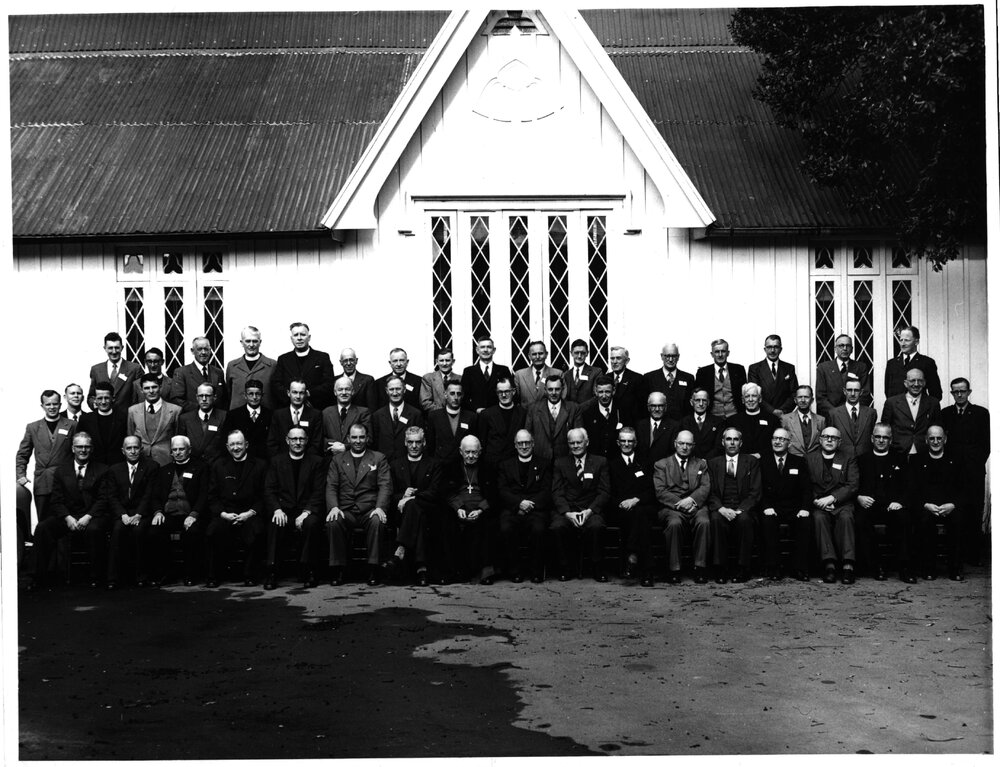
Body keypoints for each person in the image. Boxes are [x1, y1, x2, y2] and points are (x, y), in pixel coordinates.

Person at [29, 432, 110, 590]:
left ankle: (96, 577)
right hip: (68, 515)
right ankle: (37, 577)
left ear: (91, 449)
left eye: (87, 447)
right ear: (73, 448)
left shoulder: (102, 470)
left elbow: (103, 499)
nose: (83, 450)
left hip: (92, 515)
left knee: (94, 530)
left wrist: (88, 517)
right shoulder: (61, 470)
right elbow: (56, 500)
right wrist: (67, 518)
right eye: (79, 446)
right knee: (43, 528)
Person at [325, 423, 392, 586]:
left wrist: (379, 508)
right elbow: (331, 486)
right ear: (348, 439)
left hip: (369, 510)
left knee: (377, 521)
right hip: (346, 510)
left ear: (367, 438)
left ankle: (373, 569)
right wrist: (334, 507)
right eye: (354, 437)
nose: (358, 440)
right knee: (333, 522)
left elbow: (385, 485)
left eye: (361, 437)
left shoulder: (378, 458)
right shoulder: (338, 460)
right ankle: (338, 569)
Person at [262, 426, 326, 589]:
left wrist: (306, 512)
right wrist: (277, 509)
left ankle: (308, 571)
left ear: (306, 440)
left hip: (307, 510)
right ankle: (272, 572)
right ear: (287, 441)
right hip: (284, 509)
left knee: (311, 524)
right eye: (294, 439)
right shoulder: (277, 461)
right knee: (275, 523)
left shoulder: (316, 461)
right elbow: (269, 490)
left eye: (301, 439)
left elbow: (319, 491)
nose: (297, 442)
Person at [143, 435, 209, 586]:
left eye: (181, 449)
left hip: (190, 514)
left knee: (192, 533)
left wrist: (194, 514)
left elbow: (204, 495)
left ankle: (189, 574)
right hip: (169, 514)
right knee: (154, 532)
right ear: (171, 452)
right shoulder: (164, 470)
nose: (178, 452)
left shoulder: (200, 468)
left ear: (189, 450)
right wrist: (158, 512)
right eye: (175, 450)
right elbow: (155, 496)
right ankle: (166, 573)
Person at [205, 430, 267, 587]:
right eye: (232, 444)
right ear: (227, 447)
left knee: (257, 531)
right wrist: (223, 514)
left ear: (246, 445)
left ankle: (250, 575)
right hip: (226, 513)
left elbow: (264, 495)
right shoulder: (218, 465)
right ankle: (214, 576)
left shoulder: (260, 465)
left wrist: (250, 513)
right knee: (213, 531)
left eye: (239, 443)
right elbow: (212, 496)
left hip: (250, 513)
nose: (236, 447)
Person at [940, 377, 990, 564]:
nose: (959, 394)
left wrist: (974, 463)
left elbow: (987, 444)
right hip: (953, 471)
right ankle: (957, 554)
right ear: (951, 393)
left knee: (974, 509)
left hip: (973, 470)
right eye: (955, 391)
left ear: (969, 392)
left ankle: (974, 554)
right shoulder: (946, 414)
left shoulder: (981, 414)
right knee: (956, 509)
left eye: (962, 391)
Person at [550, 428, 610, 582]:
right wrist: (567, 513)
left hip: (591, 509)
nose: (576, 446)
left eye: (579, 442)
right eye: (572, 443)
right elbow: (556, 492)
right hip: (568, 509)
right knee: (557, 526)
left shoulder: (600, 462)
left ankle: (597, 568)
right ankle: (565, 568)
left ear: (587, 442)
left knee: (596, 526)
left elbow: (604, 492)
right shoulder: (560, 463)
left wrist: (590, 511)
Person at [386, 426, 442, 586]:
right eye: (410, 442)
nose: (414, 446)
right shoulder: (396, 465)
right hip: (401, 513)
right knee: (416, 513)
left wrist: (411, 498)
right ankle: (421, 569)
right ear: (405, 442)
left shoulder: (434, 464)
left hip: (429, 510)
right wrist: (403, 496)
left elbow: (434, 493)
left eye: (418, 442)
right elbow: (391, 494)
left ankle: (400, 550)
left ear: (424, 442)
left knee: (416, 509)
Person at [653, 430, 711, 583]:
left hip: (695, 506)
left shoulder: (701, 464)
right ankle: (674, 569)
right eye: (681, 443)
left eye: (688, 444)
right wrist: (681, 505)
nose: (684, 447)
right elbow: (660, 491)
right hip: (671, 507)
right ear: (675, 444)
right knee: (674, 524)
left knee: (704, 522)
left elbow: (705, 487)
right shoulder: (662, 465)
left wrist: (692, 500)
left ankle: (700, 568)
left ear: (693, 446)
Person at [856, 424, 912, 582]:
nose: (881, 440)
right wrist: (859, 497)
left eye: (885, 437)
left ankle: (904, 567)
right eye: (878, 437)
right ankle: (876, 566)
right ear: (872, 438)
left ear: (891, 440)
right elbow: (853, 484)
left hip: (892, 506)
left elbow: (908, 485)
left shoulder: (900, 458)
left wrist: (900, 502)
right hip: (869, 505)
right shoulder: (862, 459)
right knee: (860, 521)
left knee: (904, 518)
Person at [495, 429, 552, 583]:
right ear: (515, 445)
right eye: (520, 443)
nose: (524, 446)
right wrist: (519, 503)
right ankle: (515, 571)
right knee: (506, 528)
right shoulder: (505, 465)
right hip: (513, 509)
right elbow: (503, 490)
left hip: (536, 510)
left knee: (539, 529)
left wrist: (529, 505)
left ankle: (536, 572)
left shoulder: (544, 463)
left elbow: (546, 491)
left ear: (533, 444)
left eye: (527, 443)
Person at [104, 435, 160, 588]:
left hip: (142, 512)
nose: (133, 451)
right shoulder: (114, 470)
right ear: (123, 451)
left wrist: (138, 514)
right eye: (129, 448)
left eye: (136, 447)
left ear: (141, 449)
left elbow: (149, 494)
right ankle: (113, 578)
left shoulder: (151, 466)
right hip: (122, 513)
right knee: (117, 531)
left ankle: (141, 576)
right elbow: (112, 496)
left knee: (139, 532)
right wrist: (122, 515)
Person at [910, 425, 965, 581]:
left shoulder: (956, 460)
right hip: (927, 507)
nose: (935, 441)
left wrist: (952, 504)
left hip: (949, 507)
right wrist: (925, 505)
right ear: (926, 440)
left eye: (939, 438)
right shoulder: (917, 460)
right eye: (932, 438)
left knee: (958, 520)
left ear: (945, 439)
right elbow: (912, 490)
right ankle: (929, 567)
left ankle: (955, 568)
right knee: (924, 521)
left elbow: (964, 488)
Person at [706, 428, 761, 583]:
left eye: (735, 439)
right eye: (728, 439)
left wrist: (739, 510)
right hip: (721, 508)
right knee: (716, 519)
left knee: (744, 520)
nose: (732, 442)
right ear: (723, 442)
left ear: (741, 443)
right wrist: (721, 508)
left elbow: (755, 492)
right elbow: (709, 491)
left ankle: (743, 568)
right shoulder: (713, 463)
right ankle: (720, 568)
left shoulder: (751, 462)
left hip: (743, 508)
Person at [806, 427, 859, 584]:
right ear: (820, 440)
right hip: (819, 504)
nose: (829, 440)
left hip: (841, 503)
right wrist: (816, 500)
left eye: (834, 438)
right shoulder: (809, 458)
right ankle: (829, 565)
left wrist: (832, 498)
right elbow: (805, 485)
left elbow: (853, 485)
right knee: (818, 518)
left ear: (839, 442)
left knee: (846, 517)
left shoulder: (848, 458)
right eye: (826, 437)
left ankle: (848, 566)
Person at [758, 428, 813, 581]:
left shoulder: (799, 461)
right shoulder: (763, 462)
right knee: (767, 522)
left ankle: (799, 568)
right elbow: (757, 489)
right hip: (771, 507)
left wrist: (804, 508)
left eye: (782, 439)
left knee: (805, 522)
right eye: (775, 438)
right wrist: (765, 507)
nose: (777, 442)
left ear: (789, 443)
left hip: (794, 508)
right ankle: (773, 567)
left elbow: (807, 489)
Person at [443, 435, 497, 585]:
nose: (471, 456)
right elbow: (447, 491)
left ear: (480, 452)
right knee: (445, 522)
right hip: (459, 509)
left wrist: (481, 509)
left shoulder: (489, 467)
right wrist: (458, 507)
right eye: (467, 452)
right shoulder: (451, 466)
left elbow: (495, 494)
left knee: (489, 524)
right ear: (461, 451)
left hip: (481, 510)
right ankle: (456, 571)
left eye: (474, 452)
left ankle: (486, 572)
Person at [608, 427, 657, 586]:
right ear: (618, 442)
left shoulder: (645, 462)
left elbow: (652, 490)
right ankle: (647, 570)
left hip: (642, 505)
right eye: (623, 441)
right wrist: (623, 503)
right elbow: (608, 492)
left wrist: (635, 500)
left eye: (630, 441)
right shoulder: (611, 464)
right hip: (621, 509)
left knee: (640, 514)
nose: (627, 444)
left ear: (635, 443)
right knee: (638, 518)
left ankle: (631, 554)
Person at [272, 322, 336, 410]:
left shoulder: (322, 357)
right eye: (295, 335)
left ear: (309, 337)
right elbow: (276, 384)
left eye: (302, 334)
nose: (299, 338)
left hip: (316, 408)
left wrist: (309, 393)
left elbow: (329, 383)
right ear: (291, 338)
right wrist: (292, 397)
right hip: (289, 409)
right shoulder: (283, 359)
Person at [880, 368, 941, 457]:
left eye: (920, 381)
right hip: (898, 453)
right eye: (912, 381)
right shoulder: (892, 402)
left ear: (924, 383)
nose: (916, 384)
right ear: (906, 383)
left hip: (924, 453)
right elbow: (885, 429)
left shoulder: (933, 403)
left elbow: (937, 428)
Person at [523, 374, 582, 465]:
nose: (553, 393)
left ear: (562, 389)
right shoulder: (533, 409)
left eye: (557, 389)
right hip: (540, 460)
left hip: (566, 461)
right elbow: (528, 435)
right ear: (545, 390)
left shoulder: (573, 408)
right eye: (550, 389)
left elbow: (579, 437)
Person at [127, 373, 182, 466]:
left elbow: (177, 438)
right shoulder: (133, 410)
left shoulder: (175, 410)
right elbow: (131, 435)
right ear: (141, 390)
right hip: (141, 461)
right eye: (147, 388)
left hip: (165, 461)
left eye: (154, 387)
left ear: (160, 387)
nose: (151, 391)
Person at [815, 334, 873, 418]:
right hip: (832, 416)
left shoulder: (861, 367)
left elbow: (865, 394)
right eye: (841, 345)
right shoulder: (823, 368)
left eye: (848, 346)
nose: (845, 348)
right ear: (835, 349)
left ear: (852, 349)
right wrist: (836, 413)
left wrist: (851, 411)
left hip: (854, 416)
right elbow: (821, 397)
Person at [87, 331, 143, 416]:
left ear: (122, 348)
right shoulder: (96, 369)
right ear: (105, 348)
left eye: (117, 348)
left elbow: (140, 396)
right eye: (110, 348)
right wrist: (94, 404)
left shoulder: (134, 368)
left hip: (127, 418)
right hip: (103, 417)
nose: (114, 351)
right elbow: (91, 396)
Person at [371, 376, 425, 463]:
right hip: (384, 464)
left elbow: (421, 443)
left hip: (408, 464)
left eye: (398, 389)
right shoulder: (377, 415)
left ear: (404, 390)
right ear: (386, 391)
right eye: (391, 389)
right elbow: (375, 444)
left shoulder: (416, 414)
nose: (395, 393)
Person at [477, 377, 526, 472]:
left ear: (514, 391)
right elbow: (482, 442)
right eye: (500, 392)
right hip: (493, 466)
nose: (503, 395)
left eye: (507, 391)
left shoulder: (522, 413)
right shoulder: (487, 414)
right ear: (496, 393)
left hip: (516, 466)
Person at [425, 380, 478, 468]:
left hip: (463, 467)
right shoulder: (434, 416)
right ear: (445, 395)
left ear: (463, 396)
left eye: (459, 394)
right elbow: (431, 444)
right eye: (452, 393)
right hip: (440, 467)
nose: (456, 397)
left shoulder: (471, 417)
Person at [170, 336, 228, 413]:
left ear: (210, 351)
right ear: (192, 351)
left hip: (216, 420)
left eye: (206, 349)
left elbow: (224, 399)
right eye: (199, 349)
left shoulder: (218, 372)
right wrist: (202, 409)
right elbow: (177, 400)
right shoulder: (181, 372)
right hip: (192, 419)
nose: (203, 352)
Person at [267, 379, 324, 458]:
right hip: (282, 463)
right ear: (288, 393)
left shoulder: (315, 415)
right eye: (295, 392)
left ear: (306, 394)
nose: (298, 396)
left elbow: (317, 444)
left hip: (308, 463)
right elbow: (272, 443)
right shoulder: (278, 415)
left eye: (301, 393)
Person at [225, 325, 277, 411]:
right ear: (242, 343)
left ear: (260, 342)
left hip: (265, 416)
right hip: (237, 416)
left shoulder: (272, 365)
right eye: (248, 341)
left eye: (255, 341)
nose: (251, 345)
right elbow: (228, 393)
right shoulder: (232, 366)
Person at [884, 326, 942, 401]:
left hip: (919, 410)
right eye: (901, 340)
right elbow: (888, 392)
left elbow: (936, 393)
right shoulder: (892, 364)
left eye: (907, 340)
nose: (903, 344)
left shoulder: (927, 363)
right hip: (896, 410)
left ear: (916, 342)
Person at [221, 378, 273, 462]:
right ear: (245, 395)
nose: (254, 397)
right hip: (240, 460)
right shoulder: (233, 415)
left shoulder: (270, 415)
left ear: (262, 395)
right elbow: (225, 440)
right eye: (251, 394)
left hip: (263, 461)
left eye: (258, 394)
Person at [694, 338, 747, 419]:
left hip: (735, 416)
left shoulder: (739, 370)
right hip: (712, 418)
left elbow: (744, 395)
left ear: (728, 353)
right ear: (712, 354)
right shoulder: (703, 373)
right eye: (717, 352)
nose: (720, 354)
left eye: (723, 351)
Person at [747, 334, 799, 417]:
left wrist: (782, 411)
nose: (772, 350)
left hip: (784, 415)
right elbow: (754, 394)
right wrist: (772, 411)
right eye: (769, 347)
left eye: (776, 347)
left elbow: (794, 393)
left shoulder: (789, 368)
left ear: (780, 349)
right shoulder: (755, 368)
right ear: (765, 349)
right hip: (763, 413)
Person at [321, 376, 372, 458]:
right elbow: (319, 438)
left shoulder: (363, 412)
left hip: (356, 460)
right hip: (331, 461)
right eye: (340, 389)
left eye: (347, 389)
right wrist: (334, 444)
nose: (344, 392)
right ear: (335, 392)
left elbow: (369, 440)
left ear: (352, 391)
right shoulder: (326, 412)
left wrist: (346, 447)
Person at [177, 383, 228, 465]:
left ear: (214, 397)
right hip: (193, 466)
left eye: (207, 396)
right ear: (197, 397)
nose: (204, 399)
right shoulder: (185, 419)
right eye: (201, 396)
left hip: (217, 465)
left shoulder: (224, 417)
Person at [724, 382, 780, 457]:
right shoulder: (733, 421)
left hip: (765, 461)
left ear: (760, 399)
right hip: (741, 463)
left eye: (754, 396)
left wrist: (760, 455)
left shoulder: (772, 420)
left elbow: (777, 444)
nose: (750, 399)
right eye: (747, 396)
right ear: (743, 400)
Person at [78, 382, 128, 466]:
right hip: (93, 467)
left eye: (107, 398)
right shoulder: (85, 419)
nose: (103, 402)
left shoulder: (123, 418)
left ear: (113, 398)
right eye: (100, 398)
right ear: (95, 399)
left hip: (117, 466)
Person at [826, 378, 877, 459]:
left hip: (865, 460)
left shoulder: (871, 413)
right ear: (844, 391)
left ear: (861, 392)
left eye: (856, 390)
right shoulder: (833, 414)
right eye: (849, 390)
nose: (853, 394)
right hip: (842, 460)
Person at [643, 342, 695, 420]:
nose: (670, 359)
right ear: (662, 356)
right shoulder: (649, 378)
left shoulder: (688, 378)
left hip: (681, 425)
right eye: (667, 356)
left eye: (673, 356)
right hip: (658, 425)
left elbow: (690, 407)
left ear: (678, 357)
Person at [460, 337, 512, 413]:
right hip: (476, 417)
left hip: (499, 415)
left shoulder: (503, 370)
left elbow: (510, 394)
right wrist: (475, 409)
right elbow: (463, 397)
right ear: (477, 350)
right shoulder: (469, 371)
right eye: (482, 347)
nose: (485, 350)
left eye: (489, 347)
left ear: (494, 350)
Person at [578, 375, 622, 458]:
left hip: (617, 459)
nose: (604, 396)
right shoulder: (587, 412)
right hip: (595, 461)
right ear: (596, 391)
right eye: (601, 392)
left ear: (614, 391)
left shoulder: (622, 410)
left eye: (607, 392)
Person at [675, 388, 723, 461]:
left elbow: (718, 446)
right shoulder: (683, 422)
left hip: (711, 462)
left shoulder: (718, 422)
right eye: (697, 400)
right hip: (690, 463)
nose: (701, 404)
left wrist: (705, 460)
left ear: (708, 402)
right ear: (691, 402)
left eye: (704, 400)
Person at [632, 391, 677, 470]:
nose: (657, 409)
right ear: (648, 407)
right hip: (642, 471)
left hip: (664, 471)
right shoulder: (639, 425)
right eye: (653, 406)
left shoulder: (674, 426)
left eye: (660, 406)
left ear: (665, 407)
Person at [514, 340, 564, 406]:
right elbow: (515, 400)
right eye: (534, 354)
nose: (537, 357)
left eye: (540, 353)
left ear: (546, 354)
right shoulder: (519, 375)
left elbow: (562, 399)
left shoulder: (558, 373)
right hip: (526, 415)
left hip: (549, 415)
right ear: (529, 356)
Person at [606, 345, 647, 426]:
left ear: (627, 361)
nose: (614, 361)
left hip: (631, 426)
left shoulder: (637, 379)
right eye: (612, 358)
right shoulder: (606, 378)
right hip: (609, 426)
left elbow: (642, 409)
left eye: (618, 358)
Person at [780, 386, 825, 456]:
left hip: (814, 461)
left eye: (806, 397)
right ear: (795, 400)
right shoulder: (785, 419)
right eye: (800, 397)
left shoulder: (821, 420)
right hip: (794, 461)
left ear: (812, 400)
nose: (803, 400)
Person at [337, 347, 378, 412]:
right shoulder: (335, 381)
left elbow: (372, 408)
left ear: (356, 361)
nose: (348, 363)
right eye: (345, 361)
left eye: (351, 360)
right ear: (341, 362)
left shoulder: (367, 380)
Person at [564, 338, 601, 404]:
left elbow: (597, 395)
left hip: (588, 412)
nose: (579, 356)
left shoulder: (596, 372)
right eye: (576, 353)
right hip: (571, 412)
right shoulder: (566, 374)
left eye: (583, 353)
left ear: (587, 353)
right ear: (571, 353)